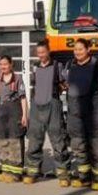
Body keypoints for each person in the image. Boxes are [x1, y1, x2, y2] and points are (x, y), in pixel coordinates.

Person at [62, 38, 98, 190]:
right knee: (78, 144)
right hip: (75, 111)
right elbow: (66, 83)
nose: (77, 52)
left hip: (95, 110)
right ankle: (83, 177)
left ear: (89, 49)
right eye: (75, 49)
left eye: (80, 49)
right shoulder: (70, 65)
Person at [24, 40, 71, 186]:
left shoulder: (58, 66)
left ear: (48, 52)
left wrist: (64, 86)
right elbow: (34, 85)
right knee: (34, 141)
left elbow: (65, 84)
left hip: (53, 106)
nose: (41, 55)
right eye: (38, 53)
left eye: (43, 52)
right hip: (37, 106)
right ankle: (33, 172)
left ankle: (63, 174)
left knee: (58, 140)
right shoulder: (35, 67)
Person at [0, 55, 28, 183]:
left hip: (15, 112)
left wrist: (24, 115)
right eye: (1, 64)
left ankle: (15, 173)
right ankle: (6, 171)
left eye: (5, 64)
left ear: (11, 64)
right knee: (3, 142)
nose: (3, 67)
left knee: (15, 142)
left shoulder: (18, 78)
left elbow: (23, 98)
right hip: (2, 113)